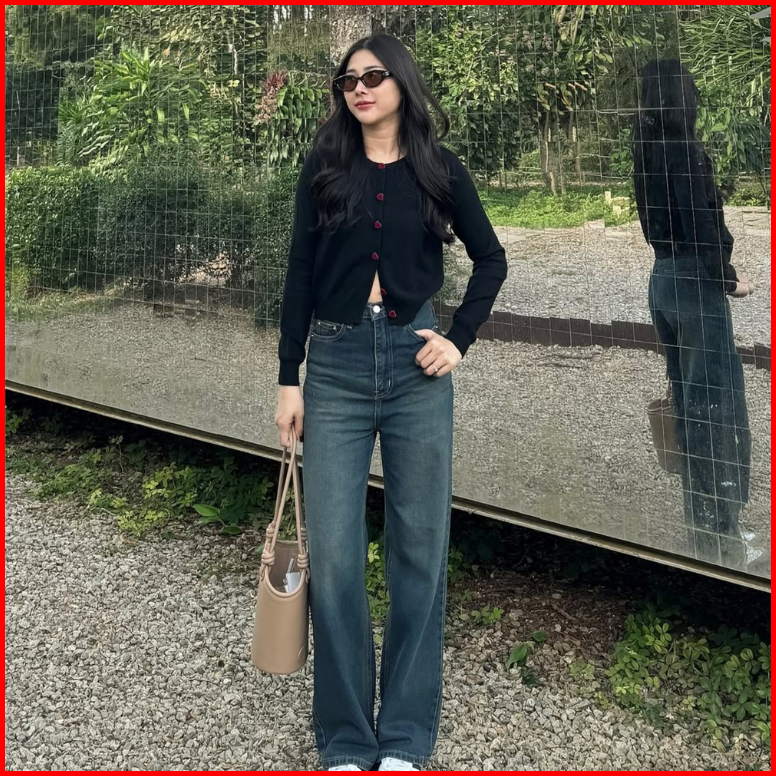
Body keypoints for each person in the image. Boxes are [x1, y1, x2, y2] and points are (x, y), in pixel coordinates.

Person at [274, 34, 508, 771]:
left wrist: (458, 339)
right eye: (348, 79)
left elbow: (492, 258)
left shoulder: (439, 169)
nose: (360, 88)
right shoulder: (326, 164)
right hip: (335, 368)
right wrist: (288, 377)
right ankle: (347, 740)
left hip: (417, 371)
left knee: (419, 550)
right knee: (337, 556)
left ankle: (404, 735)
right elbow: (300, 269)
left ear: (402, 82)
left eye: (374, 76)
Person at [632, 58, 758, 570]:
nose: (697, 98)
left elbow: (658, 224)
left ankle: (702, 530)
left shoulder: (645, 149)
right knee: (716, 409)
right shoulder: (683, 151)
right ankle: (724, 539)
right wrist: (728, 278)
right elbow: (701, 225)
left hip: (662, 280)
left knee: (690, 408)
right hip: (694, 285)